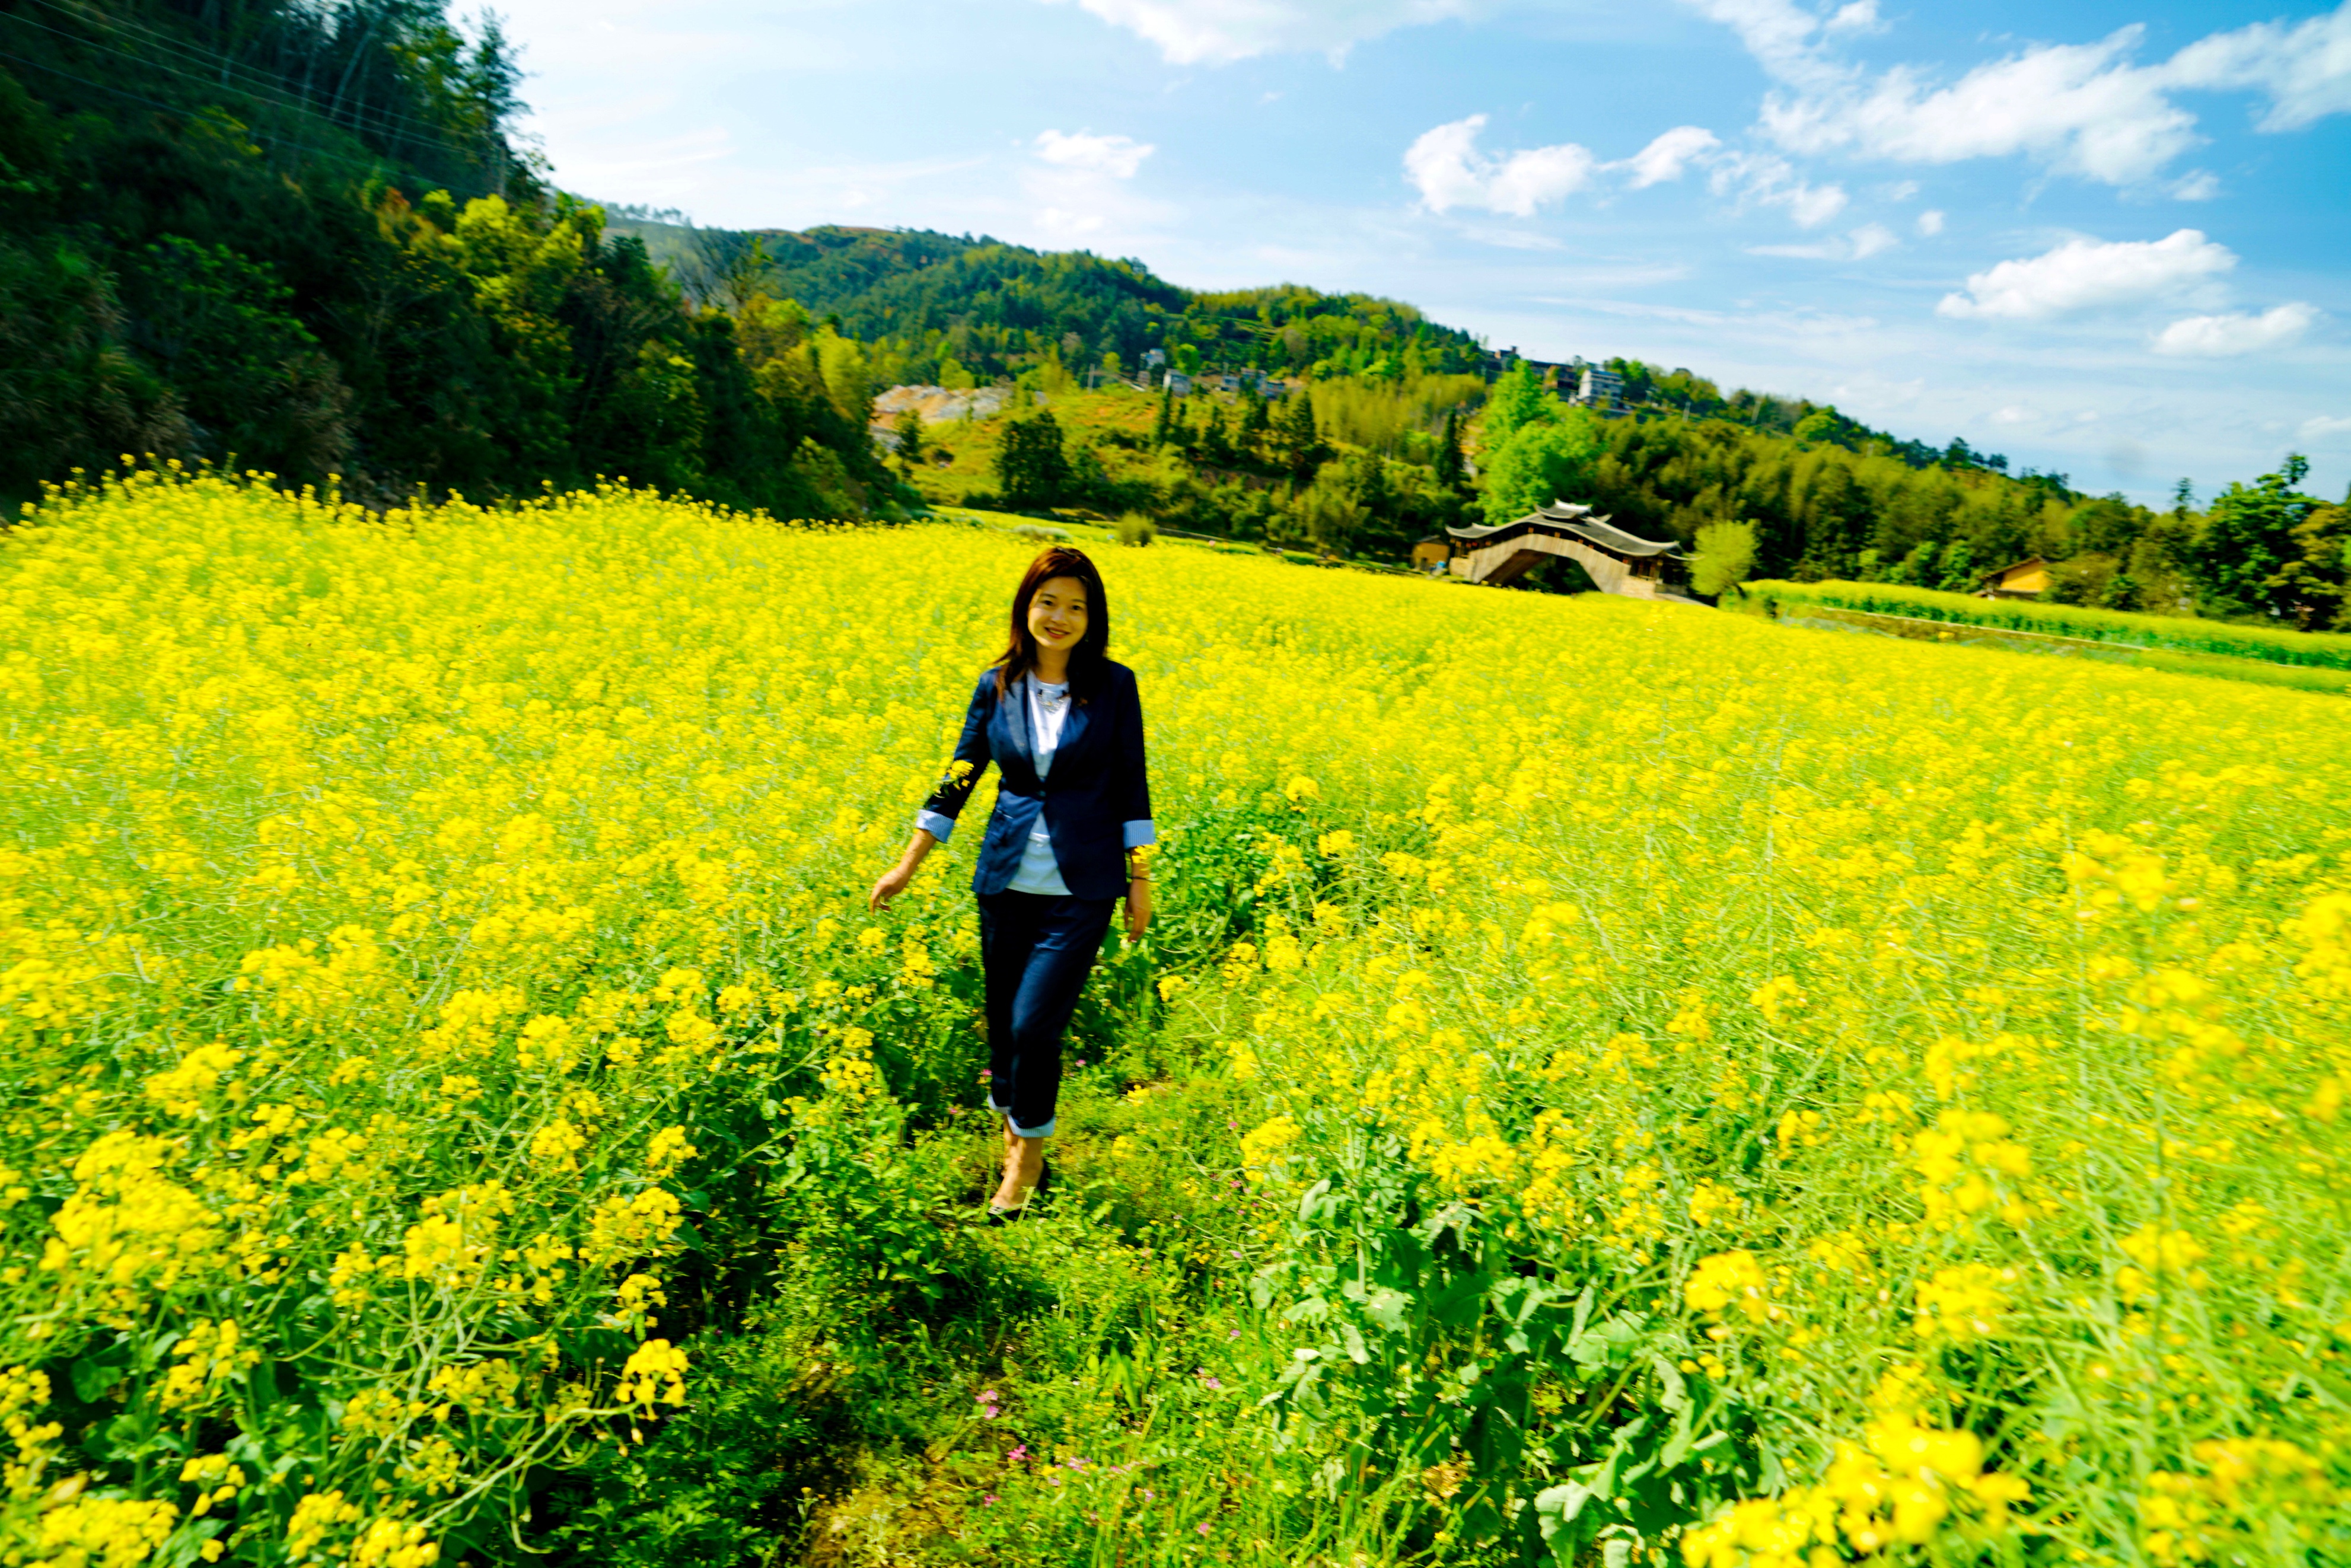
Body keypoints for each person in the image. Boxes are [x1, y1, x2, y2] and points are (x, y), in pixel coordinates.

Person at [869, 546, 1154, 1223]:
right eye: (1048, 601)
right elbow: (960, 776)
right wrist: (909, 861)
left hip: (1081, 888)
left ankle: (1025, 1162)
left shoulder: (1115, 687)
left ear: (1094, 619)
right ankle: (1016, 1128)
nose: (1060, 617)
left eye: (1076, 607)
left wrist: (1139, 879)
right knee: (1003, 1030)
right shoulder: (995, 684)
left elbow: (1132, 784)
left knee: (1034, 1025)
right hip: (1004, 883)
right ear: (1026, 607)